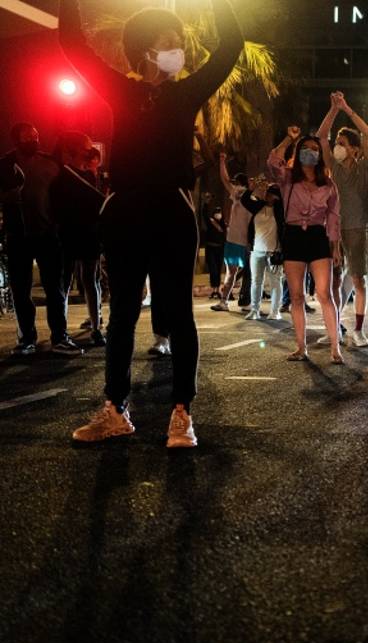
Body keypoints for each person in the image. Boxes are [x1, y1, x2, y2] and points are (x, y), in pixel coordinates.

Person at [61, 0, 243, 447]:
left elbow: (230, 47)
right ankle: (115, 410)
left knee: (179, 312)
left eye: (178, 44)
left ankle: (182, 414)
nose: (177, 51)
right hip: (125, 211)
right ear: (143, 50)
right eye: (168, 44)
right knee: (123, 312)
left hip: (171, 211)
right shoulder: (119, 89)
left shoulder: (186, 92)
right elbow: (72, 43)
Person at [1, 123, 80, 356]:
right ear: (16, 140)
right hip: (18, 236)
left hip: (48, 235)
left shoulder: (51, 163)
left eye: (35, 136)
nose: (33, 140)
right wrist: (11, 195)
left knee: (54, 288)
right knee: (20, 290)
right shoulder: (5, 165)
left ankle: (60, 337)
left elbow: (67, 194)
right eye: (27, 137)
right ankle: (27, 339)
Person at [268, 126, 343, 363]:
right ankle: (301, 347)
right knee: (297, 295)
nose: (310, 153)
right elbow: (272, 163)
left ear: (320, 155)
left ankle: (335, 348)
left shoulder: (328, 184)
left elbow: (334, 216)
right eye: (305, 149)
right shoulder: (288, 178)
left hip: (318, 236)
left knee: (324, 293)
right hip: (293, 236)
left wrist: (336, 247)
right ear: (298, 151)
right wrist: (288, 139)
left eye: (314, 149)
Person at [318, 91, 368, 348]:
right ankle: (335, 326)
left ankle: (358, 330)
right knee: (334, 281)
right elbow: (321, 136)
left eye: (342, 143)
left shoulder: (364, 166)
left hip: (357, 227)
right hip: (333, 229)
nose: (338, 147)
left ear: (353, 148)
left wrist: (348, 108)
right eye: (337, 142)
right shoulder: (334, 167)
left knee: (358, 280)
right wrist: (333, 109)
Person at [50, 130, 105, 347]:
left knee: (91, 280)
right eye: (85, 148)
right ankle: (61, 332)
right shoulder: (60, 176)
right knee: (64, 281)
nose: (89, 152)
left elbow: (96, 206)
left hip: (88, 234)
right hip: (67, 234)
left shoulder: (89, 176)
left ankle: (96, 327)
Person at [212, 154, 251, 312]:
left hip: (244, 242)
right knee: (232, 273)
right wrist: (221, 162)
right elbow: (225, 180)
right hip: (235, 240)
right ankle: (225, 301)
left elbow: (225, 180)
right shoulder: (237, 194)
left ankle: (245, 302)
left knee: (244, 273)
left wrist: (221, 161)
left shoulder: (251, 196)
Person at [241, 179, 284, 319]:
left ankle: (275, 311)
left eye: (271, 193)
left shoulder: (280, 210)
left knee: (275, 282)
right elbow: (245, 200)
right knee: (256, 281)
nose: (267, 195)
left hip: (274, 251)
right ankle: (255, 310)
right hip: (256, 250)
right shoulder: (258, 206)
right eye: (267, 193)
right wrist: (251, 189)